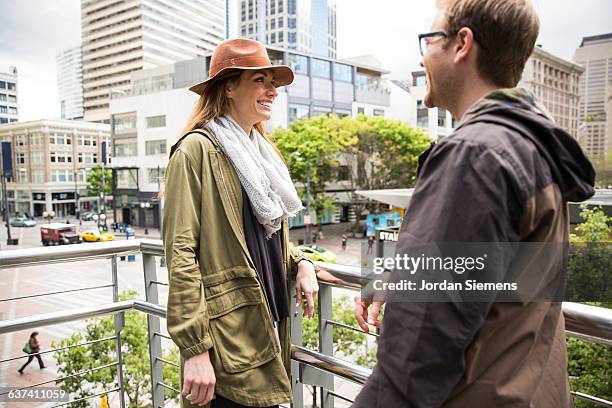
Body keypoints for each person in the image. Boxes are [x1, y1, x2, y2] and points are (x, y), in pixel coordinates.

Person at [353, 0, 595, 407]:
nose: (422, 54)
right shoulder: (532, 149)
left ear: (462, 44)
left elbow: (417, 352)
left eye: (430, 39)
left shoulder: (476, 155)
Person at [163, 38, 318, 408]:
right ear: (229, 86)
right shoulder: (195, 151)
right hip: (226, 337)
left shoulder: (261, 154)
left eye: (273, 84)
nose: (272, 91)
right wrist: (195, 349)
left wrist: (303, 262)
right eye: (261, 81)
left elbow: (267, 236)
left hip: (266, 322)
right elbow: (181, 253)